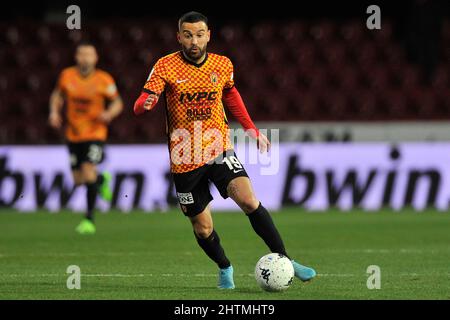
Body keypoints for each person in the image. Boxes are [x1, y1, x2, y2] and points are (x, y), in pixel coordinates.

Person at [133, 11, 316, 289]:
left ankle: (287, 260)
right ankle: (224, 267)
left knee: (249, 200)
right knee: (203, 228)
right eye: (187, 35)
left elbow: (230, 93)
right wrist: (145, 103)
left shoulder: (222, 64)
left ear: (209, 35)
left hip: (218, 148)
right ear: (178, 36)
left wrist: (252, 130)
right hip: (184, 158)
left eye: (199, 34)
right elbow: (143, 99)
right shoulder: (165, 66)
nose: (193, 41)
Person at [49, 41, 123, 234]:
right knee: (78, 180)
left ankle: (89, 220)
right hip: (73, 134)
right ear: (76, 57)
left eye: (89, 54)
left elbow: (117, 103)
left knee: (88, 170)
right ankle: (101, 181)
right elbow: (57, 95)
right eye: (82, 54)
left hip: (95, 133)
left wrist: (109, 114)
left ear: (96, 58)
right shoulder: (67, 76)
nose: (85, 58)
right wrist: (54, 113)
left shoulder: (103, 80)